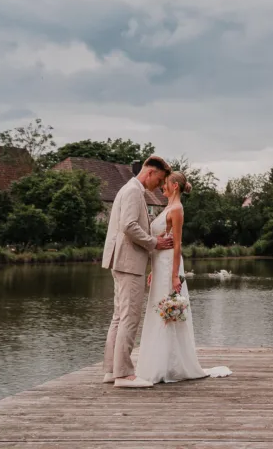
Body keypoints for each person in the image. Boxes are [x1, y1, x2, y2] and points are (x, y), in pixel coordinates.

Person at [135, 171, 231, 384]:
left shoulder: (177, 209)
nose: (162, 186)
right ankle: (158, 363)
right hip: (159, 265)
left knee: (169, 312)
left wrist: (175, 276)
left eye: (166, 183)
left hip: (170, 266)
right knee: (158, 310)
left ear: (175, 186)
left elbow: (177, 245)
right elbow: (161, 239)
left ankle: (171, 366)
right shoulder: (167, 207)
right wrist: (153, 270)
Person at [101, 155, 174, 388]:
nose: (159, 185)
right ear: (150, 172)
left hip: (122, 261)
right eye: (159, 179)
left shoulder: (129, 189)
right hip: (129, 262)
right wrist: (154, 242)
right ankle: (124, 375)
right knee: (129, 318)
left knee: (119, 317)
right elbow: (129, 225)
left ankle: (111, 371)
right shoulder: (133, 191)